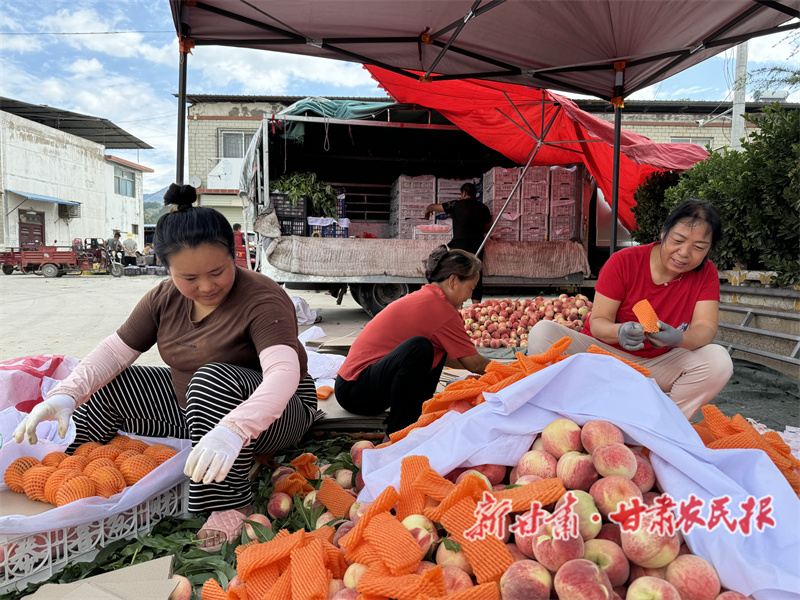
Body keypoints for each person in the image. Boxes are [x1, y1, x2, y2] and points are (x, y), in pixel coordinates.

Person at [13, 183, 317, 552]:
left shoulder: (262, 297)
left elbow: (283, 376)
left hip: (280, 414)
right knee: (113, 384)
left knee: (211, 377)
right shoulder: (163, 298)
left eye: (218, 272)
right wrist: (65, 395)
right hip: (198, 408)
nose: (206, 286)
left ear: (234, 255)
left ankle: (230, 501)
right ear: (167, 268)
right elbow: (114, 352)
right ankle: (76, 472)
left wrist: (235, 430)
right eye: (189, 278)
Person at [527, 199, 733, 419]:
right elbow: (598, 323)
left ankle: (668, 424)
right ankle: (550, 414)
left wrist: (678, 338)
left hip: (656, 364)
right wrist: (620, 331)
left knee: (718, 361)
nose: (684, 253)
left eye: (699, 247)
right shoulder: (624, 262)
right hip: (601, 357)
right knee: (543, 332)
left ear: (709, 250)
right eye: (678, 240)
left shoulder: (706, 273)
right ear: (664, 233)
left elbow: (706, 328)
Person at [335, 246, 491, 436]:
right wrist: (514, 372)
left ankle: (417, 417)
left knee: (432, 349)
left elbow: (458, 358)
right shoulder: (441, 309)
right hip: (354, 390)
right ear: (453, 281)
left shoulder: (431, 298)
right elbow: (474, 363)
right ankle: (398, 433)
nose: (469, 297)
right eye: (470, 289)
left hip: (361, 386)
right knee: (420, 347)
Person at [425, 183, 492, 303]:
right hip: (477, 244)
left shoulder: (456, 204)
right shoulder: (483, 208)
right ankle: (476, 305)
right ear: (474, 194)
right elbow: (487, 229)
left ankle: (457, 304)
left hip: (459, 244)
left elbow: (433, 207)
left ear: (464, 193)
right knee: (476, 271)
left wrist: (428, 210)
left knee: (456, 271)